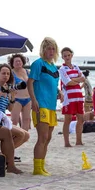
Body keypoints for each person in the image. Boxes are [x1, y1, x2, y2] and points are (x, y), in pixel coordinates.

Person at [28, 37, 60, 176]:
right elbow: (30, 83)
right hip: (41, 104)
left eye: (53, 48)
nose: (51, 51)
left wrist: (59, 92)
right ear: (43, 49)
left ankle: (41, 165)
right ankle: (37, 168)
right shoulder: (38, 64)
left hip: (52, 105)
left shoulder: (53, 66)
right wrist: (33, 100)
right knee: (43, 136)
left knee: (48, 138)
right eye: (48, 48)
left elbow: (52, 84)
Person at [59, 47, 85, 147]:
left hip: (78, 95)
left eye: (68, 55)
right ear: (62, 57)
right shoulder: (62, 69)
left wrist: (74, 79)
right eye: (65, 56)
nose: (67, 57)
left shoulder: (76, 66)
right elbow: (67, 82)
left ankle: (79, 141)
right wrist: (76, 80)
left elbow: (83, 78)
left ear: (71, 55)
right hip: (69, 97)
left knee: (80, 118)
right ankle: (67, 142)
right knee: (68, 119)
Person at [8, 53, 31, 130]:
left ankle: (23, 138)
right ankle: (12, 138)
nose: (18, 63)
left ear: (22, 62)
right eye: (16, 61)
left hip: (28, 98)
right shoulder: (11, 73)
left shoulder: (27, 71)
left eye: (19, 61)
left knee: (27, 120)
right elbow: (7, 86)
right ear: (12, 63)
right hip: (17, 99)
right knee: (14, 120)